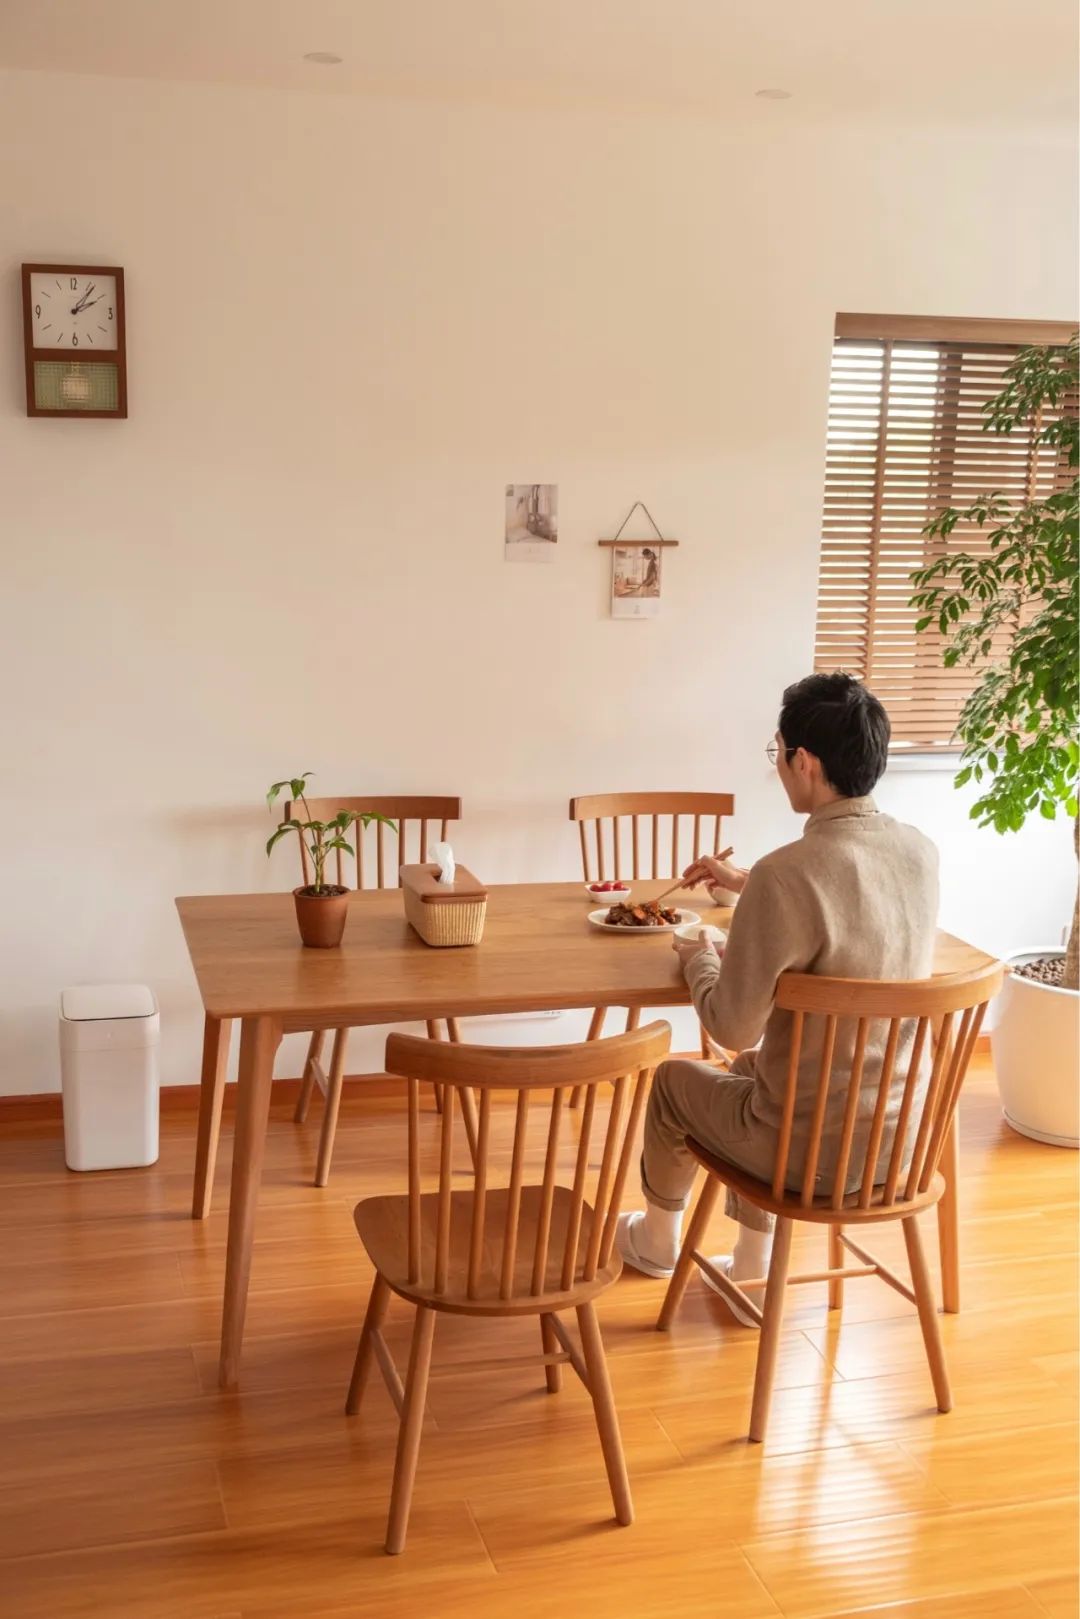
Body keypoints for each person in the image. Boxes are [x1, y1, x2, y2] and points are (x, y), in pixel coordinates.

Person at [616, 672, 939, 1320]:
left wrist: (701, 960)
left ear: (806, 761)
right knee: (756, 1075)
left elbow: (733, 1025)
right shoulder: (920, 852)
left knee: (676, 1083)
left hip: (809, 1158)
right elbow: (849, 922)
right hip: (898, 1144)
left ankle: (654, 1242)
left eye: (779, 753)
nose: (780, 767)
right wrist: (745, 883)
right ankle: (754, 1268)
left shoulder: (785, 873)